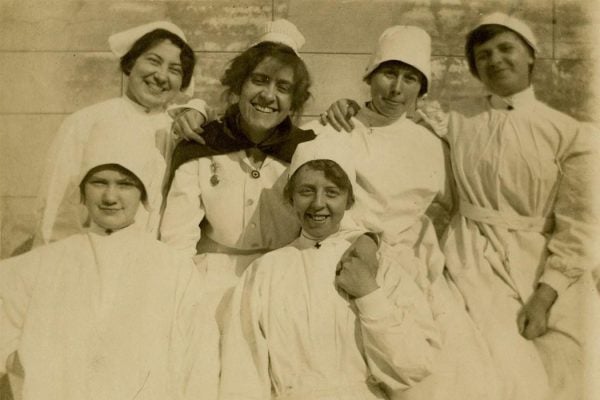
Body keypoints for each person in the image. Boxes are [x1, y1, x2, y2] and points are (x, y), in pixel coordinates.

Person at [323, 13, 600, 400]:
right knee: (497, 370)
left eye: (507, 49)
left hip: (547, 266)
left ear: (531, 56)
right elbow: (388, 122)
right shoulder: (458, 121)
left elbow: (580, 225)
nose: (496, 60)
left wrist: (546, 293)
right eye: (483, 54)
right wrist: (349, 107)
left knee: (570, 370)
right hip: (472, 261)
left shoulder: (571, 134)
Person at [303, 25, 501, 400]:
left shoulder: (429, 143)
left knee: (459, 374)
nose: (397, 89)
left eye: (410, 79)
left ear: (420, 90)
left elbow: (463, 203)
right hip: (351, 262)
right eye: (389, 74)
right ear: (370, 76)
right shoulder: (338, 128)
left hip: (416, 270)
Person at [0, 119, 214, 400]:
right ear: (82, 191)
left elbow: (200, 361)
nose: (110, 197)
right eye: (99, 182)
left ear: (143, 194)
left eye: (125, 184)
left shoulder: (173, 269)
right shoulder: (37, 266)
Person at [220, 132, 440, 399]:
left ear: (349, 200)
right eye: (306, 191)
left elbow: (415, 366)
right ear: (290, 198)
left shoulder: (380, 268)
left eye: (332, 192)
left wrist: (370, 295)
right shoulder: (265, 272)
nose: (318, 204)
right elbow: (242, 370)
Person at [32, 20, 207, 246]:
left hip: (154, 263)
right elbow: (55, 208)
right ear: (131, 63)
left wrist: (199, 108)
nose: (161, 76)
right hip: (89, 257)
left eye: (174, 70)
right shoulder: (85, 122)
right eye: (153, 61)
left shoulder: (179, 131)